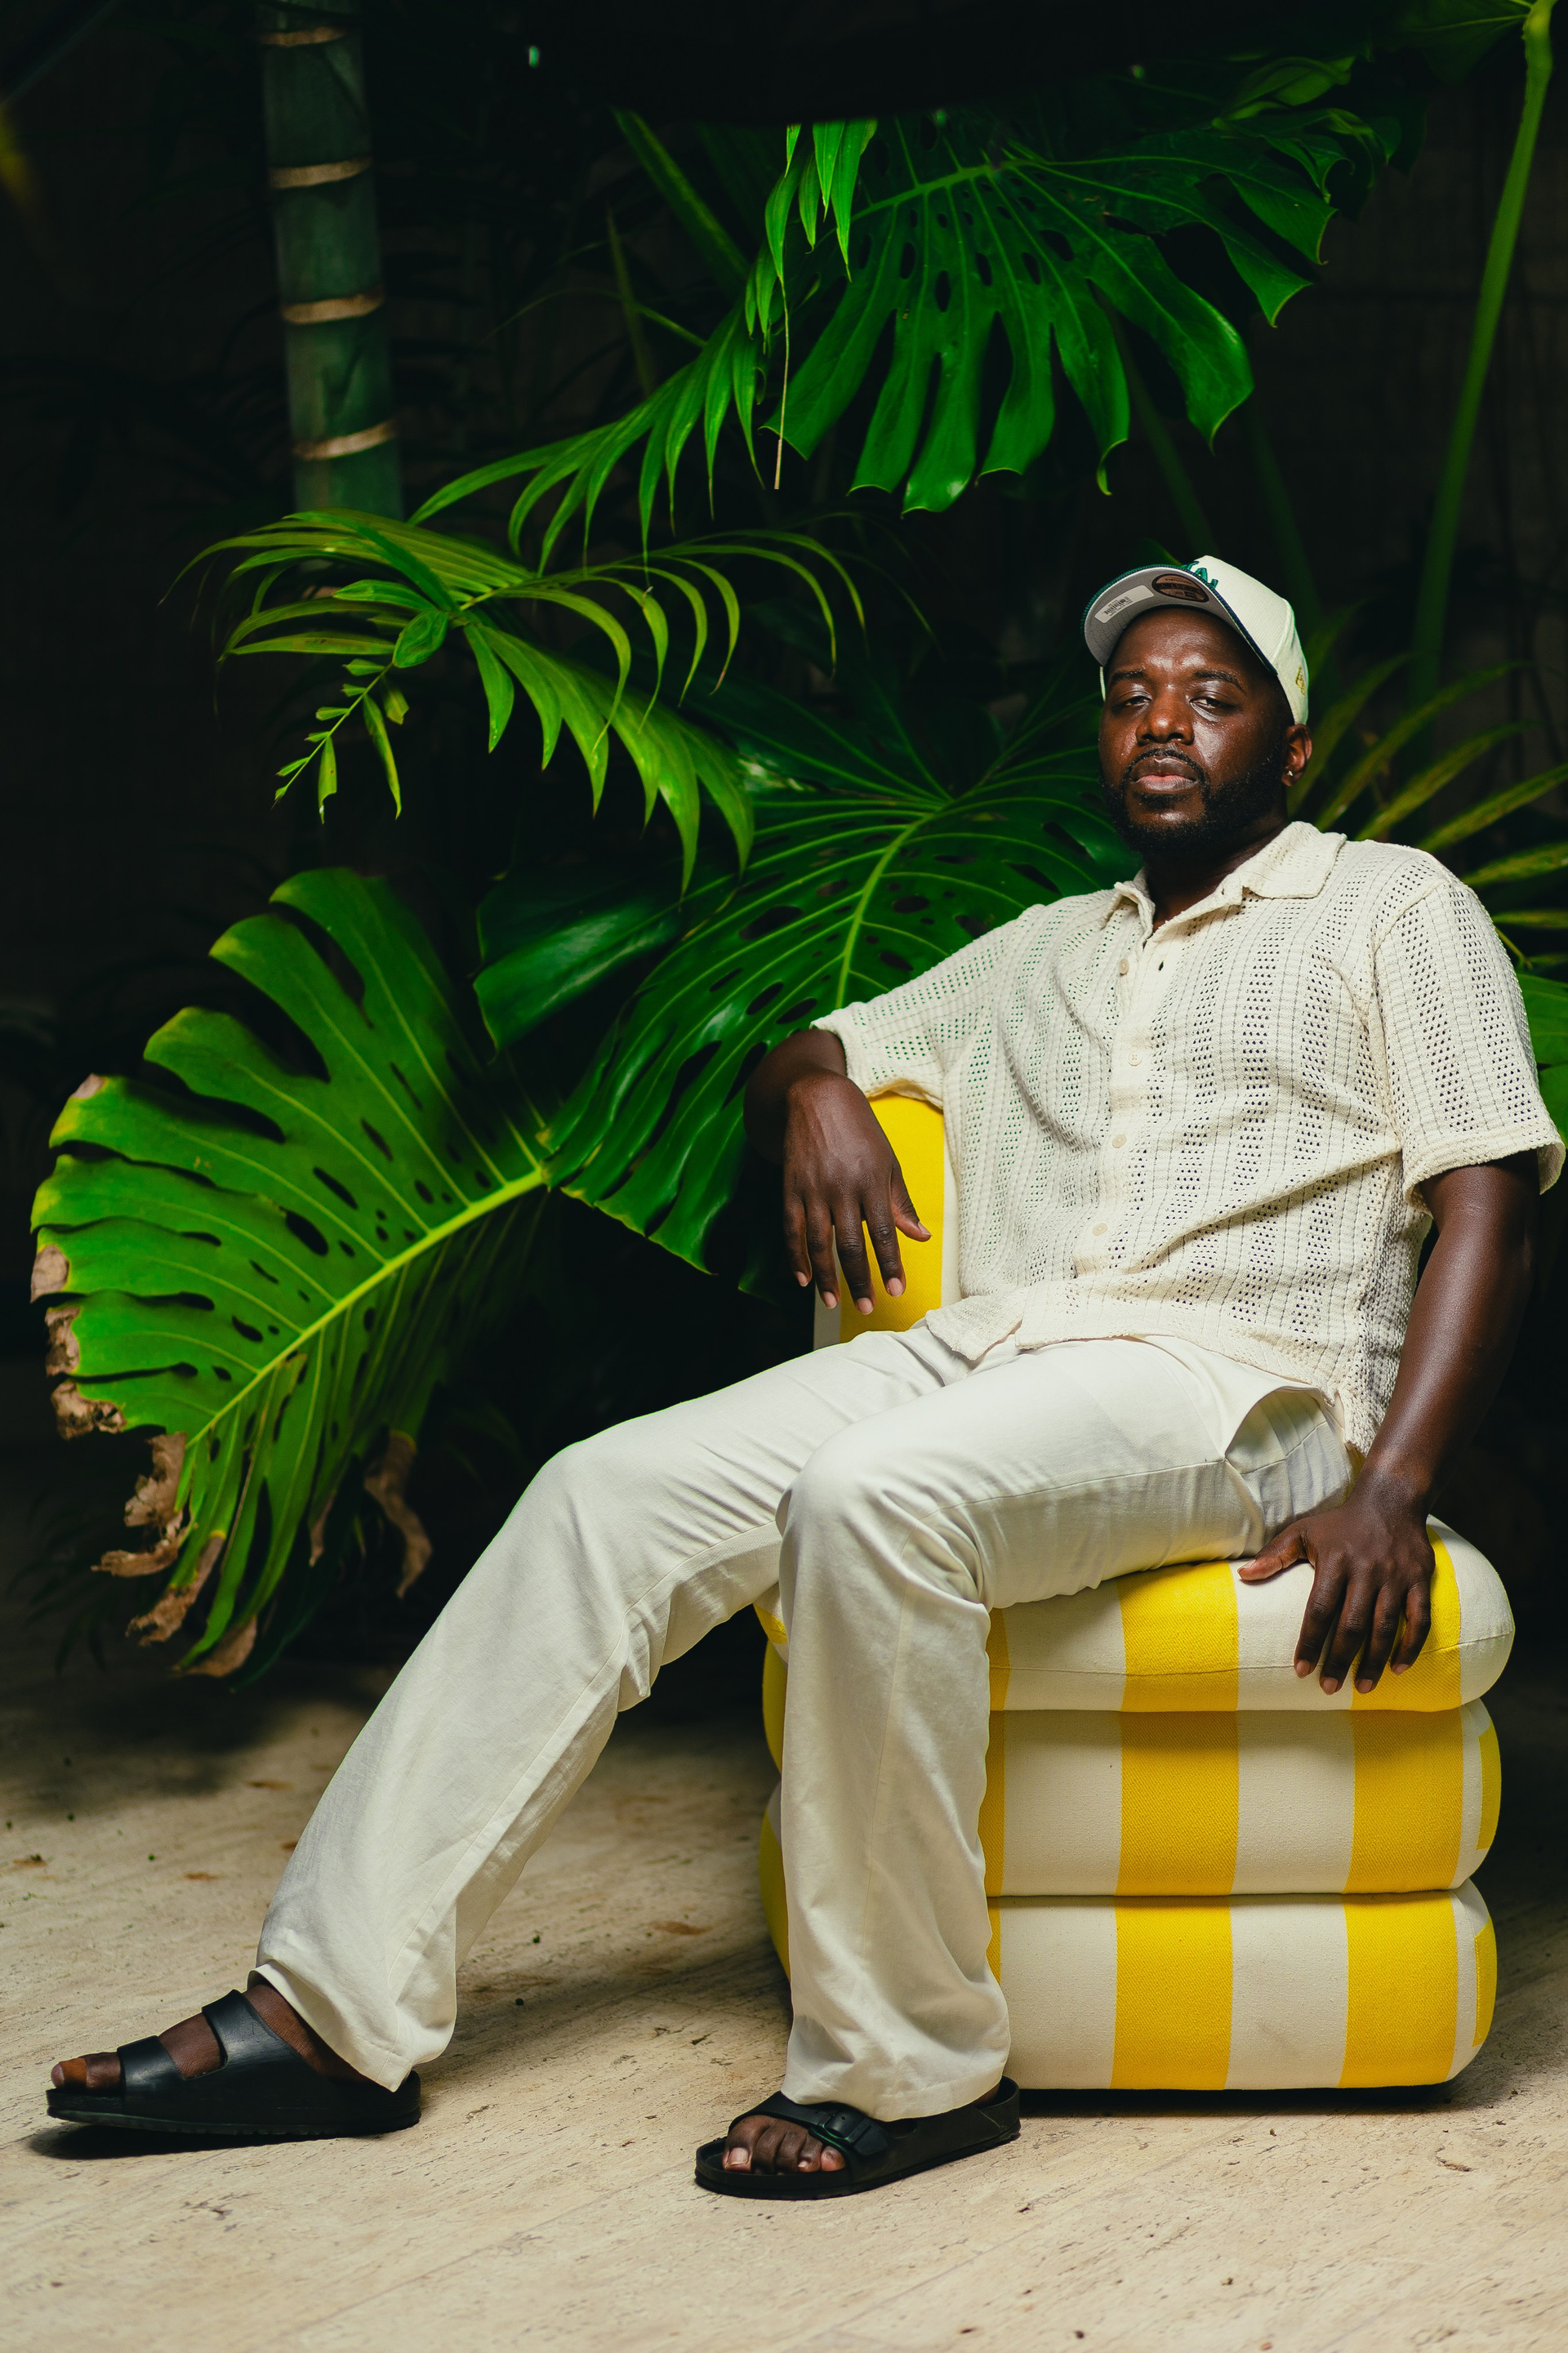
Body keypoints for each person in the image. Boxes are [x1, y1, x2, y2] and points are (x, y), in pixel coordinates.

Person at [47, 556, 1560, 2199]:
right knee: (601, 1495)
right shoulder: (1041, 949)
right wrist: (817, 1094)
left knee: (872, 1499)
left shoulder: (1392, 907)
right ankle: (330, 2011)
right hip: (987, 1356)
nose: (1163, 724)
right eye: (1131, 697)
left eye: (1212, 696)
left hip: (1241, 1383)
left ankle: (911, 2068)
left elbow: (1488, 1192)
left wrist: (1395, 1485)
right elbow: (816, 1044)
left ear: (1291, 745)